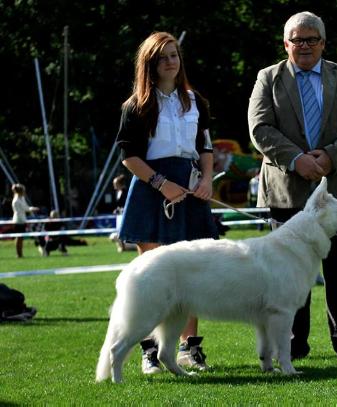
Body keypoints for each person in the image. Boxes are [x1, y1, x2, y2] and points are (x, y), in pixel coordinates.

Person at [248, 11, 337, 359]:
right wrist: (297, 159)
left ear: (322, 42)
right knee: (287, 276)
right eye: (297, 39)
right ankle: (292, 346)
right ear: (286, 43)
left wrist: (330, 157)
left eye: (311, 39)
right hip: (286, 191)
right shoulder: (267, 78)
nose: (304, 45)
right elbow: (259, 128)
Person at [115, 31, 218, 375]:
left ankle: (190, 348)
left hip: (189, 188)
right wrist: (161, 184)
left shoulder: (196, 101)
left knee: (192, 273)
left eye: (174, 55)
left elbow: (205, 148)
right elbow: (129, 156)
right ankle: (151, 352)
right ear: (150, 63)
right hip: (151, 188)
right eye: (163, 57)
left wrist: (205, 181)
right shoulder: (135, 106)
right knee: (152, 275)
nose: (171, 62)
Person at [11, 184, 39, 258]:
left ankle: (20, 254)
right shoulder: (16, 201)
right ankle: (18, 254)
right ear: (20, 191)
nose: (24, 192)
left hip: (22, 220)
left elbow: (26, 207)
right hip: (18, 221)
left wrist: (31, 208)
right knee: (18, 238)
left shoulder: (22, 198)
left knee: (21, 238)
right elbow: (25, 209)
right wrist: (32, 209)